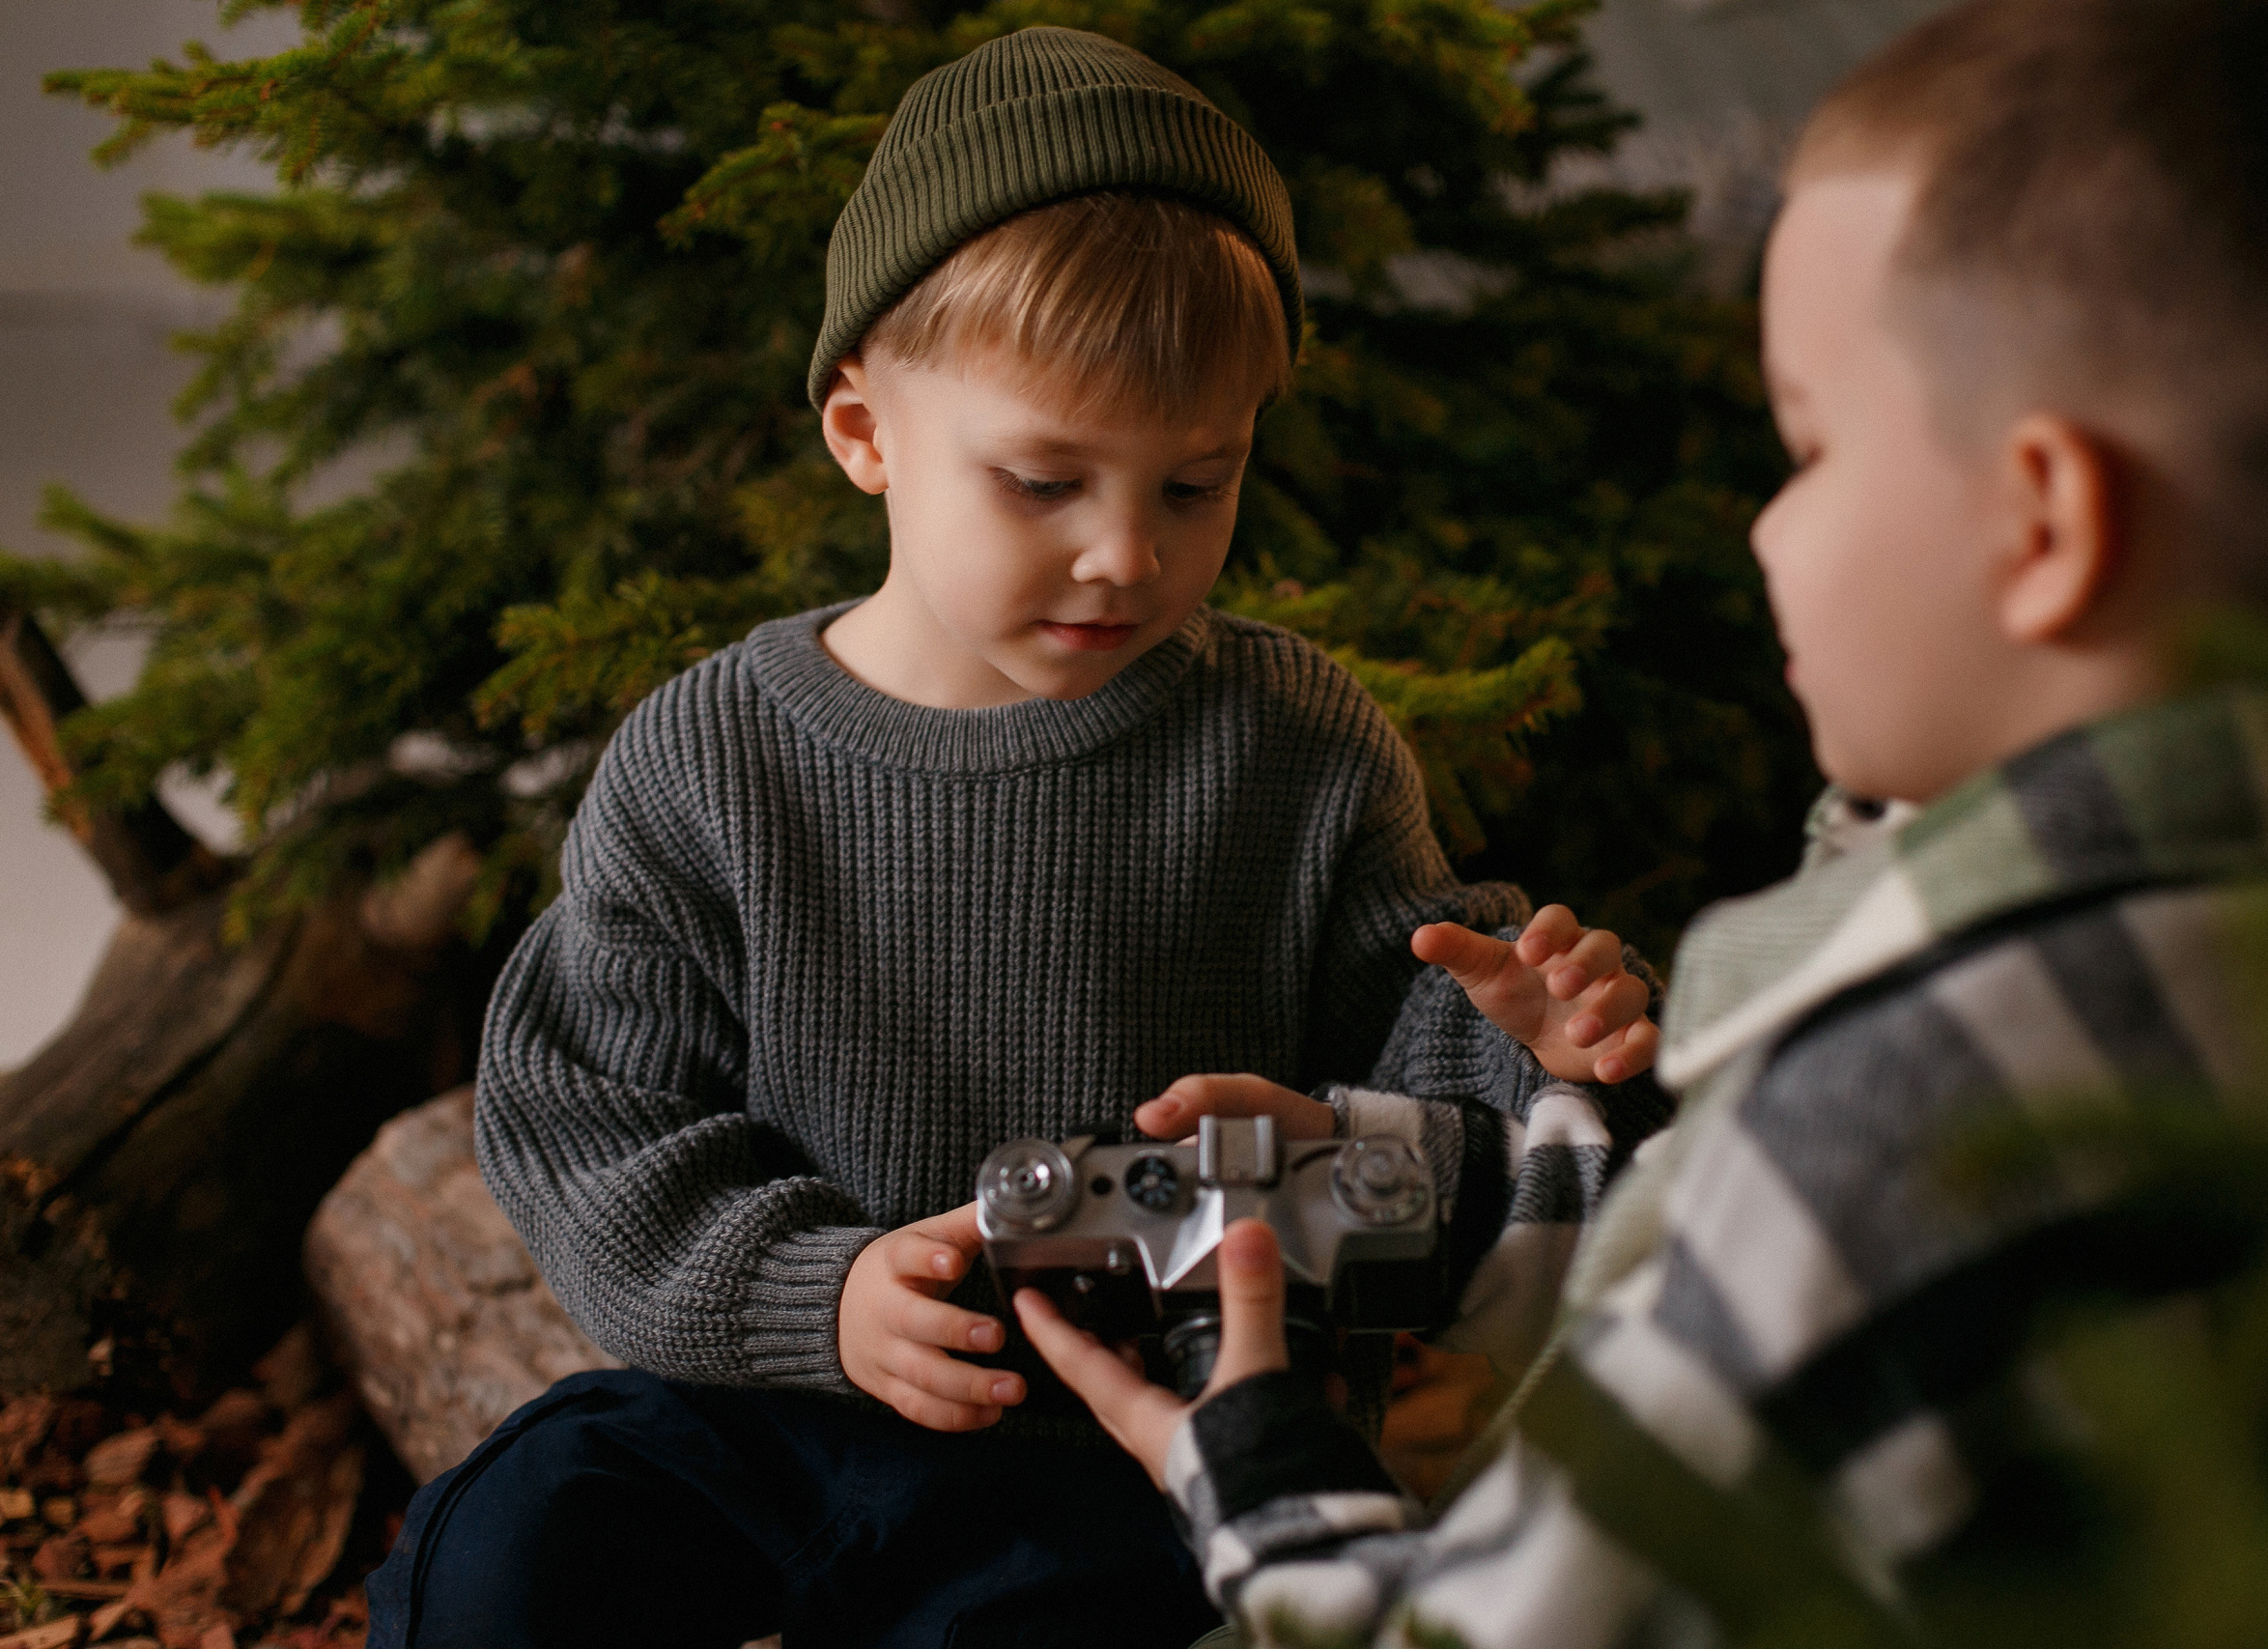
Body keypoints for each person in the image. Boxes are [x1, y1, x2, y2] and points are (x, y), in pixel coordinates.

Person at [1021, 2, 2268, 1643]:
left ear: (2045, 522)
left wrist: (1255, 1466)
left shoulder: (1904, 1107)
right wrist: (1428, 1177)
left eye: (1807, 446)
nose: (1765, 526)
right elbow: (1745, 1279)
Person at [364, 26, 1664, 1649]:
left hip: (1140, 1437)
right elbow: (582, 1118)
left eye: (1197, 485)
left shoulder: (1297, 748)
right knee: (522, 1536)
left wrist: (1530, 1059)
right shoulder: (713, 760)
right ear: (865, 436)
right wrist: (814, 1295)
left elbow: (1419, 1173)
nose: (1126, 555)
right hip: (789, 1397)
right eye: (1044, 481)